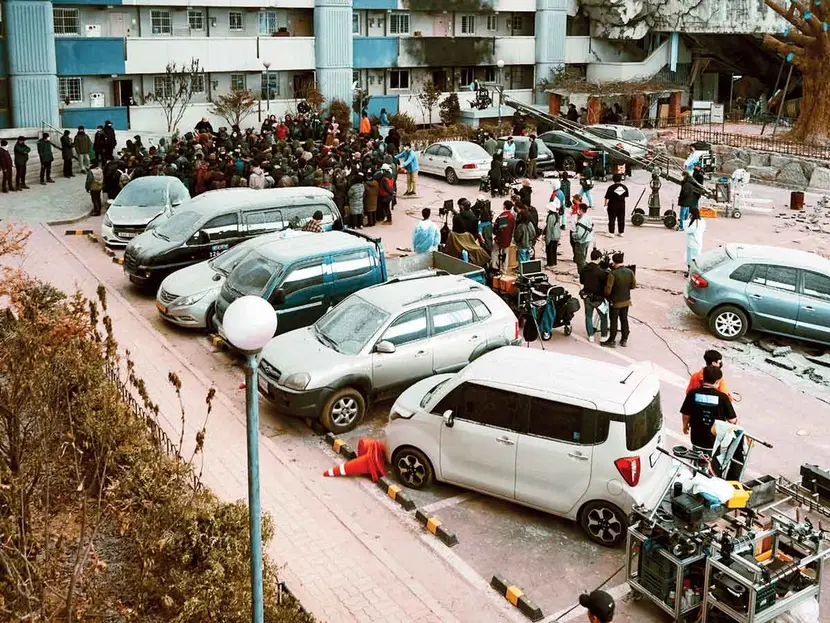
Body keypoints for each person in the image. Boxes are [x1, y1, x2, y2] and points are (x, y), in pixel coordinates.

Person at [681, 365, 737, 454]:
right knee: (712, 464)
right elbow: (732, 420)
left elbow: (685, 413)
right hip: (715, 441)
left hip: (696, 438)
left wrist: (685, 426)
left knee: (696, 457)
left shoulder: (692, 393)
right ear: (717, 381)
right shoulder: (722, 397)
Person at [601, 253, 636, 348]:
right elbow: (633, 286)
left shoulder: (613, 274)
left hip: (615, 302)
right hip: (626, 300)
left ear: (614, 262)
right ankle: (624, 339)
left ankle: (612, 340)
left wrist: (606, 294)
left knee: (614, 320)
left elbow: (608, 290)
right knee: (624, 319)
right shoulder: (630, 272)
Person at [580, 249, 610, 342]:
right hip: (598, 298)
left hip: (586, 296)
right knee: (603, 316)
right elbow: (606, 283)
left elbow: (581, 281)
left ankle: (590, 336)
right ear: (599, 258)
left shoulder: (584, 268)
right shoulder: (601, 272)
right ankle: (604, 336)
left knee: (588, 316)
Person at [492, 200, 516, 270]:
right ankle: (504, 269)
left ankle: (494, 266)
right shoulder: (512, 217)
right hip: (508, 239)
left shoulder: (502, 216)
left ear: (504, 206)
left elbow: (496, 229)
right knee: (505, 254)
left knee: (494, 252)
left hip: (500, 239)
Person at [571, 202, 594, 272]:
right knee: (584, 257)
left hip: (581, 241)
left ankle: (581, 274)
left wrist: (573, 235)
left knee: (580, 259)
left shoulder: (581, 221)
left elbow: (579, 235)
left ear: (581, 210)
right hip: (588, 239)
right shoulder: (589, 218)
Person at [684, 206, 706, 276]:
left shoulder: (694, 223)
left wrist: (687, 221)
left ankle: (691, 272)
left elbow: (688, 230)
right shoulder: (702, 220)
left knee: (691, 259)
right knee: (695, 258)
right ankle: (692, 272)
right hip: (698, 242)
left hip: (692, 243)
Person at [544, 199, 561, 268]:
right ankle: (554, 262)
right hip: (556, 235)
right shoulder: (556, 215)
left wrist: (547, 239)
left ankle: (550, 264)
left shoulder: (551, 217)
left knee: (549, 250)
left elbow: (549, 229)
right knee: (554, 250)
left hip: (552, 236)